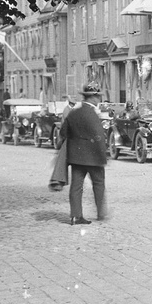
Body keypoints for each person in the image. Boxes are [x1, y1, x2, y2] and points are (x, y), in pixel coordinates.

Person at [59, 82, 109, 224]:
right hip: (94, 157)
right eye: (98, 97)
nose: (99, 99)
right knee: (98, 184)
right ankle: (101, 214)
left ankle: (75, 216)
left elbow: (63, 132)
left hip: (76, 157)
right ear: (92, 98)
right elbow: (99, 136)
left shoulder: (74, 113)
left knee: (76, 186)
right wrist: (103, 155)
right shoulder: (92, 114)